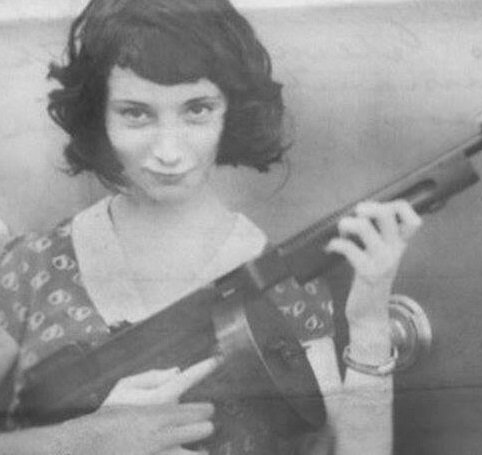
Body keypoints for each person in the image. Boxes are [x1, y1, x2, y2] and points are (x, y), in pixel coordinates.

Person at [0, 0, 422, 454]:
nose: (169, 151)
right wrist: (88, 441)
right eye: (136, 113)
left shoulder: (285, 285)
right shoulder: (28, 268)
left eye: (197, 109)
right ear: (98, 115)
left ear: (231, 112)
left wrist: (369, 322)